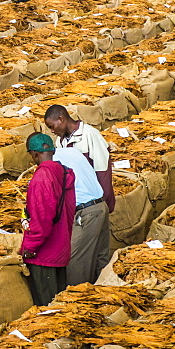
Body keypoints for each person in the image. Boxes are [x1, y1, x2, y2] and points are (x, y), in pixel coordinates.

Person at [43, 104, 113, 285]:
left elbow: (102, 169)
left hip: (91, 204)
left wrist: (103, 202)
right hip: (84, 206)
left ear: (61, 119)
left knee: (78, 258)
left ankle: (81, 295)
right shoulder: (60, 142)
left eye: (52, 126)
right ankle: (98, 290)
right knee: (98, 252)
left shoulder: (89, 135)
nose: (52, 131)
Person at [19, 132, 76, 306]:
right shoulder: (64, 172)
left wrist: (28, 247)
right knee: (58, 301)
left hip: (44, 255)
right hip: (61, 247)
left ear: (34, 154)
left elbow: (42, 220)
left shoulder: (42, 178)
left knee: (47, 307)